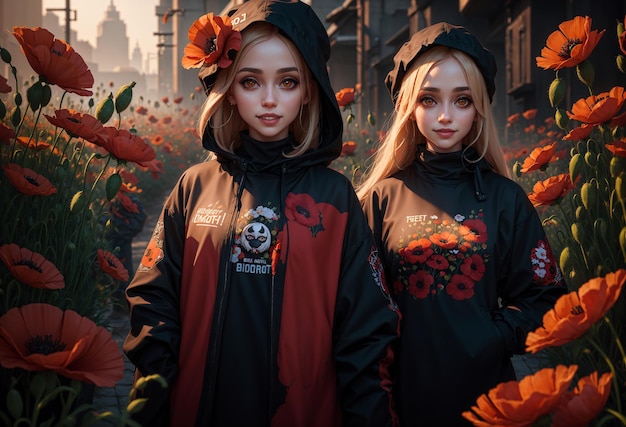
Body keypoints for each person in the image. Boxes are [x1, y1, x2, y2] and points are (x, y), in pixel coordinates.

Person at [122, 1, 400, 426]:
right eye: (251, 81)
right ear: (229, 87)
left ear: (309, 90)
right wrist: (153, 398)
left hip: (305, 411)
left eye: (287, 82)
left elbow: (365, 327)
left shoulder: (336, 198)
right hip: (197, 410)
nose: (269, 99)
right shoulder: (194, 188)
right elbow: (152, 300)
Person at [356, 23, 568, 426]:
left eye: (462, 100)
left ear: (479, 108)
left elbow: (549, 301)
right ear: (409, 107)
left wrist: (490, 335)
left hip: (489, 402)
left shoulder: (505, 199)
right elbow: (358, 315)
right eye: (429, 100)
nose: (446, 116)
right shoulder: (381, 199)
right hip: (400, 402)